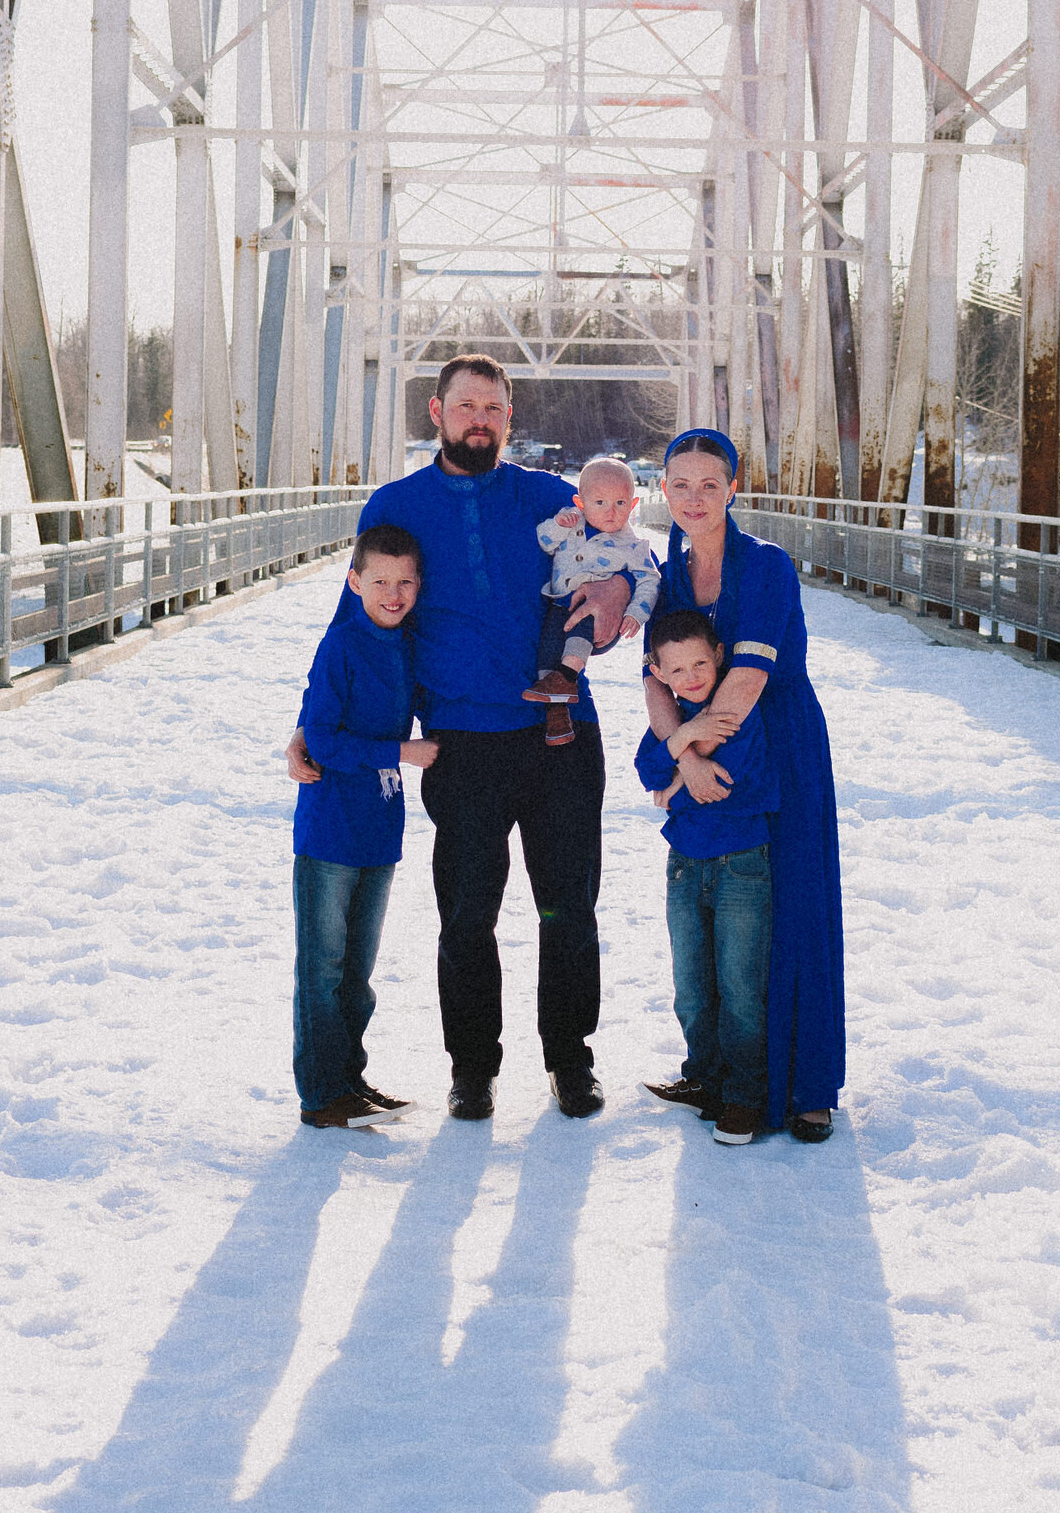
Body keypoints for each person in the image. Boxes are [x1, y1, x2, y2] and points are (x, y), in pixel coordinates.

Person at [286, 357, 634, 1123]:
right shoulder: (397, 505)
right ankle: (472, 1068)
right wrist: (314, 722)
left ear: (511, 416)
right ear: (437, 412)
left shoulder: (555, 501)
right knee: (467, 916)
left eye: (495, 407)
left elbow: (627, 560)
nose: (480, 418)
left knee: (566, 907)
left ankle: (569, 1059)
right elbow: (362, 622)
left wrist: (618, 590)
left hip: (560, 735)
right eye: (466, 405)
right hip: (461, 745)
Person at [644, 428, 845, 1144]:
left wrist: (689, 751)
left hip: (778, 739)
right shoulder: (670, 571)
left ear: (734, 489)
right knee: (722, 935)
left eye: (709, 485)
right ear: (662, 490)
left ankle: (808, 1086)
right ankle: (716, 1071)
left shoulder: (765, 565)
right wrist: (679, 754)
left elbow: (749, 680)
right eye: (680, 484)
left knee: (793, 906)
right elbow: (654, 676)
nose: (694, 499)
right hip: (701, 742)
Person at [291, 525, 437, 1131]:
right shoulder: (342, 646)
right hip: (331, 830)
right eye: (380, 581)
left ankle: (350, 1078)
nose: (393, 593)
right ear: (354, 583)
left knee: (358, 971)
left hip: (379, 829)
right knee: (322, 969)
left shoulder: (407, 645)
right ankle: (322, 1095)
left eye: (405, 582)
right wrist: (399, 752)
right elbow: (321, 737)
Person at [635, 609, 778, 1146]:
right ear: (658, 673)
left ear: (719, 656)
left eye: (700, 662)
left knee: (740, 986)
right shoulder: (678, 717)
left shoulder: (734, 713)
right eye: (677, 670)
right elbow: (646, 771)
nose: (692, 677)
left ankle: (744, 1097)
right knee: (691, 985)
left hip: (741, 862)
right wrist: (683, 741)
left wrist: (677, 769)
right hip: (684, 865)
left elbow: (715, 783)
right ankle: (704, 1077)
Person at [524, 454, 660, 748]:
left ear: (633, 505)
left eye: (620, 503)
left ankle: (568, 674)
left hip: (594, 611)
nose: (611, 511)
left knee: (583, 628)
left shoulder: (633, 546)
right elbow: (544, 542)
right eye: (600, 503)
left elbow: (651, 578)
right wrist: (558, 524)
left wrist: (636, 612)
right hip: (559, 601)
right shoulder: (571, 523)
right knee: (546, 652)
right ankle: (556, 715)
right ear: (581, 502)